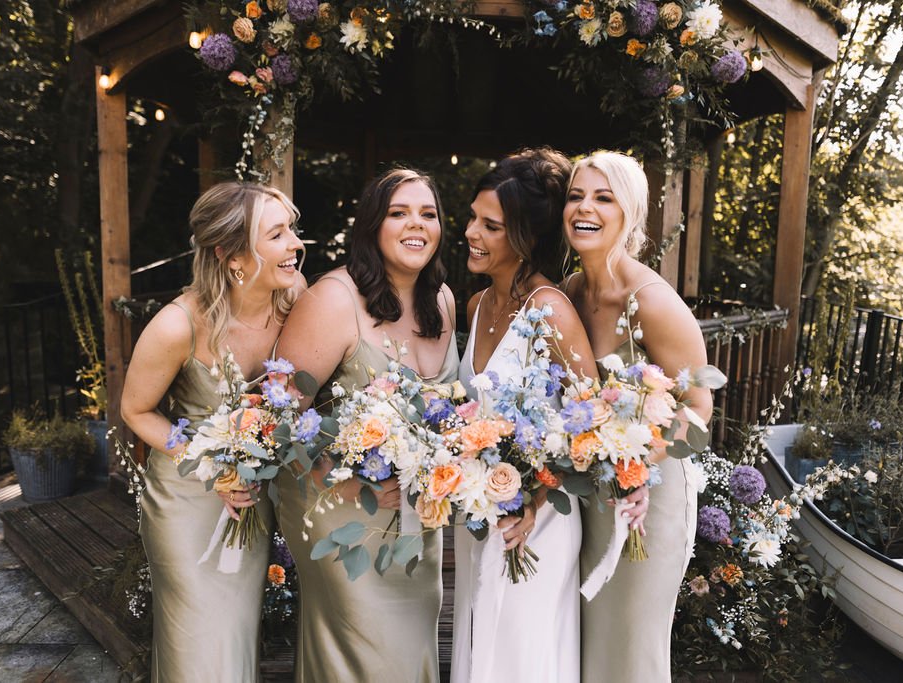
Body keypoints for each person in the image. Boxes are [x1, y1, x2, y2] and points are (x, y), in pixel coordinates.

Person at [273, 168, 458, 683]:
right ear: (372, 225)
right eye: (398, 213)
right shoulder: (333, 298)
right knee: (365, 654)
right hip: (340, 514)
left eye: (428, 213)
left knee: (410, 647)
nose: (415, 224)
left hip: (417, 518)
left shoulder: (441, 300)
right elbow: (279, 417)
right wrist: (346, 480)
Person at [121, 182, 306, 682]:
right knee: (200, 640)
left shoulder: (295, 300)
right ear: (233, 256)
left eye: (292, 229)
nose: (295, 244)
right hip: (188, 499)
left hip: (254, 497)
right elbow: (136, 411)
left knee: (236, 633)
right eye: (278, 234)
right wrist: (214, 462)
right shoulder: (175, 326)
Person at [562, 151, 713, 682]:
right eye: (576, 195)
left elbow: (699, 408)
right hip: (593, 492)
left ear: (630, 215)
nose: (585, 208)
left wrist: (647, 460)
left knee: (631, 646)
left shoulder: (652, 301)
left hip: (648, 499)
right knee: (590, 641)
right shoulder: (574, 293)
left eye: (604, 198)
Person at [452, 149, 598, 683]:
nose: (471, 232)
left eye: (491, 226)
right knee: (480, 644)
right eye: (473, 217)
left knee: (521, 656)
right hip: (480, 511)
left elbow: (591, 417)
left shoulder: (550, 309)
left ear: (526, 238)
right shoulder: (475, 305)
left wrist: (537, 496)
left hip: (538, 521)